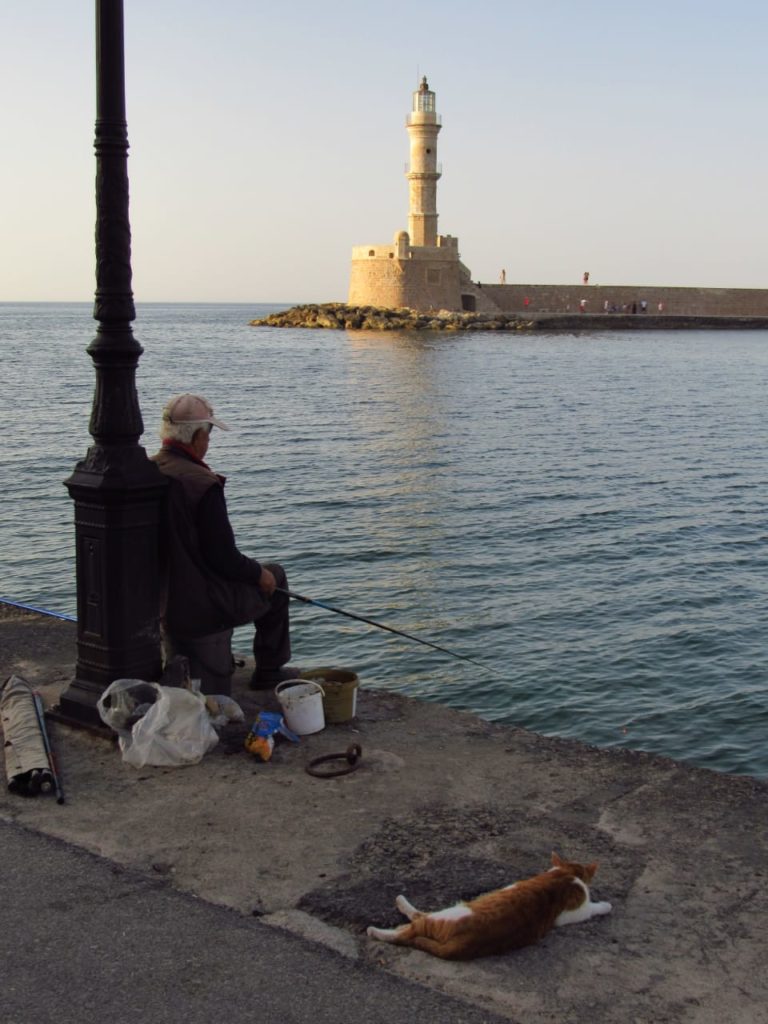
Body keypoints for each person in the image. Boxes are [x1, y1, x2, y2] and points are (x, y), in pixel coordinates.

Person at [151, 393, 298, 693]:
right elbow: (223, 557)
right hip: (200, 604)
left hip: (160, 603)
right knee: (276, 575)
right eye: (209, 433)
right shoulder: (202, 484)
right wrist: (260, 574)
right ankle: (269, 671)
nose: (209, 441)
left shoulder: (147, 470)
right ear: (197, 437)